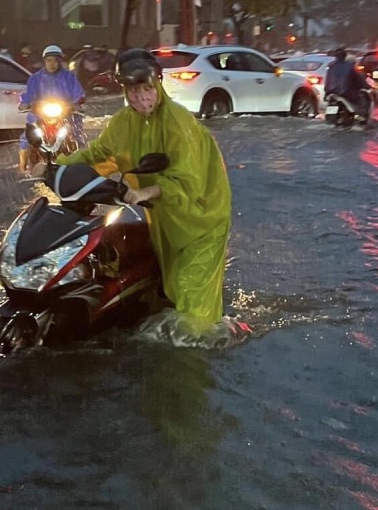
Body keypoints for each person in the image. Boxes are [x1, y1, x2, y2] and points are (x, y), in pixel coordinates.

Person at [56, 48, 232, 330]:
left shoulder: (178, 121)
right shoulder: (124, 121)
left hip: (202, 218)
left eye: (146, 89)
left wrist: (146, 192)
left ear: (158, 85)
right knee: (172, 287)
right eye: (132, 91)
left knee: (193, 301)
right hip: (164, 217)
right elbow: (99, 153)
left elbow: (189, 179)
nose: (140, 98)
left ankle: (201, 352)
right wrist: (57, 167)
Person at [17, 45, 86, 173]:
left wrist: (77, 103)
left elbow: (79, 94)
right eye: (49, 60)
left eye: (55, 60)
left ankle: (81, 167)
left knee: (77, 136)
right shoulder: (35, 78)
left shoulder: (69, 77)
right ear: (44, 61)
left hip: (65, 113)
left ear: (60, 61)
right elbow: (27, 95)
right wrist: (25, 104)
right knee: (26, 138)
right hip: (40, 114)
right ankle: (23, 168)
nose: (52, 64)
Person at [324, 47, 372, 116]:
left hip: (331, 93)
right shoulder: (349, 67)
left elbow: (328, 81)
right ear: (344, 56)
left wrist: (327, 93)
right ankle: (360, 116)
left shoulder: (331, 66)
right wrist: (366, 86)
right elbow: (358, 79)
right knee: (361, 100)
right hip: (346, 93)